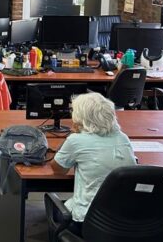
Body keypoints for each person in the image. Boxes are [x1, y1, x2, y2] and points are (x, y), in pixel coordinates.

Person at [50, 92, 136, 234]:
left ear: (80, 118)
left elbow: (58, 170)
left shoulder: (76, 141)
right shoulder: (123, 138)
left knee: (54, 210)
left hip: (87, 221)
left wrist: (71, 138)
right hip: (123, 219)